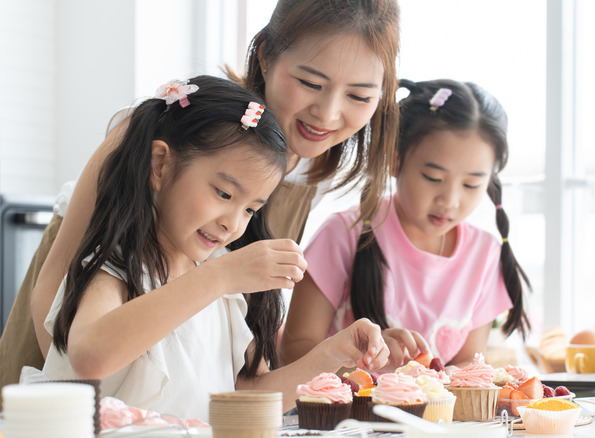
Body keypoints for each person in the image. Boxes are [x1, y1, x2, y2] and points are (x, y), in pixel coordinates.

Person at [0, 0, 402, 392]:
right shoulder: (170, 129)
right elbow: (60, 301)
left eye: (359, 97)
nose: (328, 114)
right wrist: (72, 396)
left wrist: (334, 354)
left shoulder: (306, 165)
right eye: (310, 83)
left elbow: (240, 361)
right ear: (264, 56)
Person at [24, 76, 388, 420]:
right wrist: (220, 277)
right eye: (224, 194)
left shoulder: (222, 283)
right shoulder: (119, 266)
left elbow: (251, 394)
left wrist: (333, 354)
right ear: (160, 164)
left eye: (250, 209)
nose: (233, 223)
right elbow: (90, 356)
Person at [281, 79, 532, 369]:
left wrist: (433, 382)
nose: (450, 200)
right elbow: (294, 350)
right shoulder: (343, 234)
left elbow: (468, 363)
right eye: (433, 178)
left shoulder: (484, 253)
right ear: (395, 162)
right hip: (344, 414)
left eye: (472, 184)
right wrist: (361, 358)